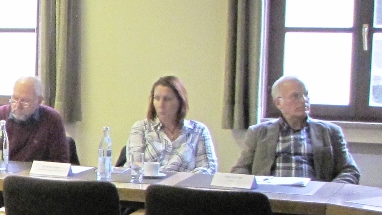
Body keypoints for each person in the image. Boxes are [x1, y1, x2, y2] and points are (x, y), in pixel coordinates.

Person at [232, 75, 360, 183]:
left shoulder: (330, 132)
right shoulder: (258, 132)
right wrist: (253, 188)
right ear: (278, 103)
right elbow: (241, 169)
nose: (304, 101)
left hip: (313, 201)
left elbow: (350, 170)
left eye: (306, 95)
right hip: (270, 198)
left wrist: (328, 192)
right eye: (296, 96)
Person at [0, 76, 69, 163]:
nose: (18, 106)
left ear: (39, 101)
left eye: (25, 101)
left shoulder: (52, 119)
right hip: (0, 177)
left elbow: (60, 161)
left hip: (35, 184)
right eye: (15, 99)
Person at [127, 76, 217, 174]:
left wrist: (182, 180)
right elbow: (134, 165)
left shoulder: (198, 130)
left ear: (180, 101)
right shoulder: (141, 128)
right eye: (157, 98)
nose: (161, 104)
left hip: (184, 187)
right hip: (149, 187)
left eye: (167, 99)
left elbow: (209, 169)